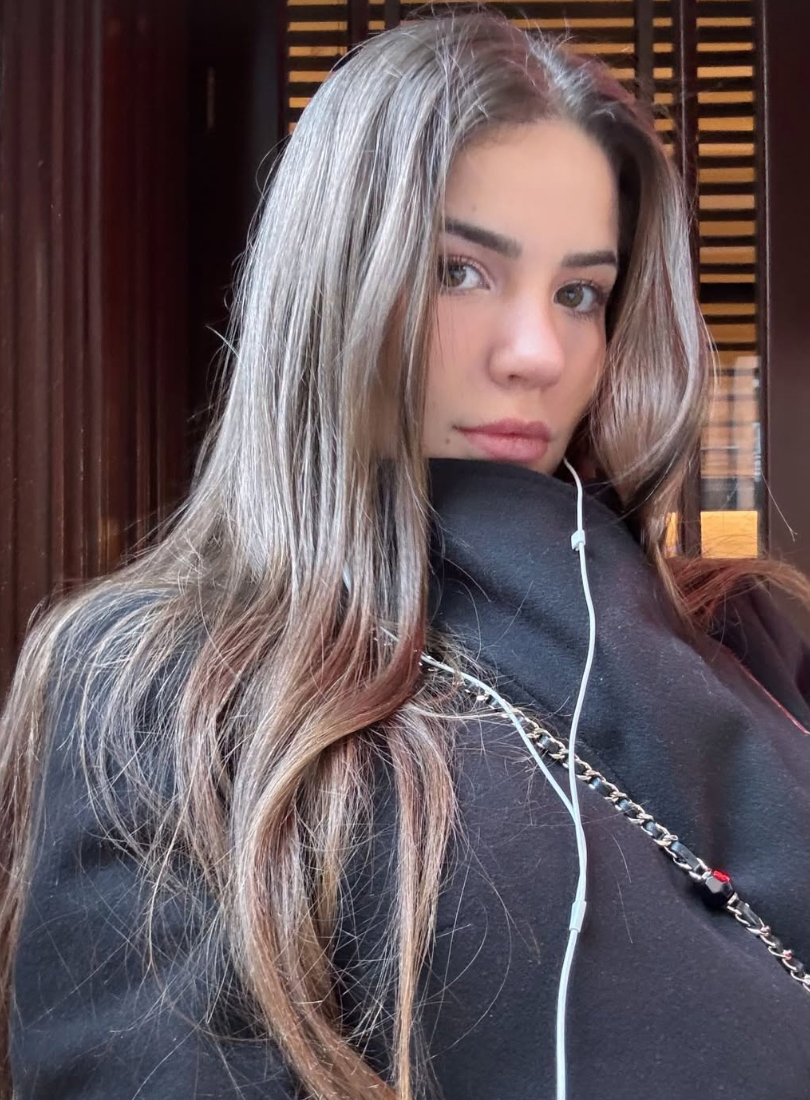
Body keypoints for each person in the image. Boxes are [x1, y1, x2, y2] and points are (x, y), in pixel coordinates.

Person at [2, 8, 810, 1100]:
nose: (538, 353)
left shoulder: (740, 626)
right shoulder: (167, 685)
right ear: (339, 283)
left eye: (579, 293)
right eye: (460, 271)